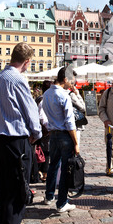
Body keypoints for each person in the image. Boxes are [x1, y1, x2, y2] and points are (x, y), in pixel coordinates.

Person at [0, 42, 42, 224]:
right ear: (27, 61)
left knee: (1, 191)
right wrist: (36, 134)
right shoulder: (18, 79)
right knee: (17, 192)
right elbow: (30, 111)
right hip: (17, 141)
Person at [42, 66, 79, 212]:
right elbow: (70, 122)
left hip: (53, 134)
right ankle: (62, 202)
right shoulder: (64, 96)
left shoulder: (46, 94)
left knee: (52, 166)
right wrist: (76, 143)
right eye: (72, 81)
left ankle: (49, 196)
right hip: (64, 135)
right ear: (65, 79)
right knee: (65, 169)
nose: (73, 84)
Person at [35, 80, 53, 182]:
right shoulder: (43, 100)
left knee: (42, 150)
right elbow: (42, 116)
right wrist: (49, 127)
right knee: (45, 151)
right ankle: (43, 173)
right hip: (44, 130)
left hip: (40, 129)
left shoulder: (39, 98)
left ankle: (40, 171)